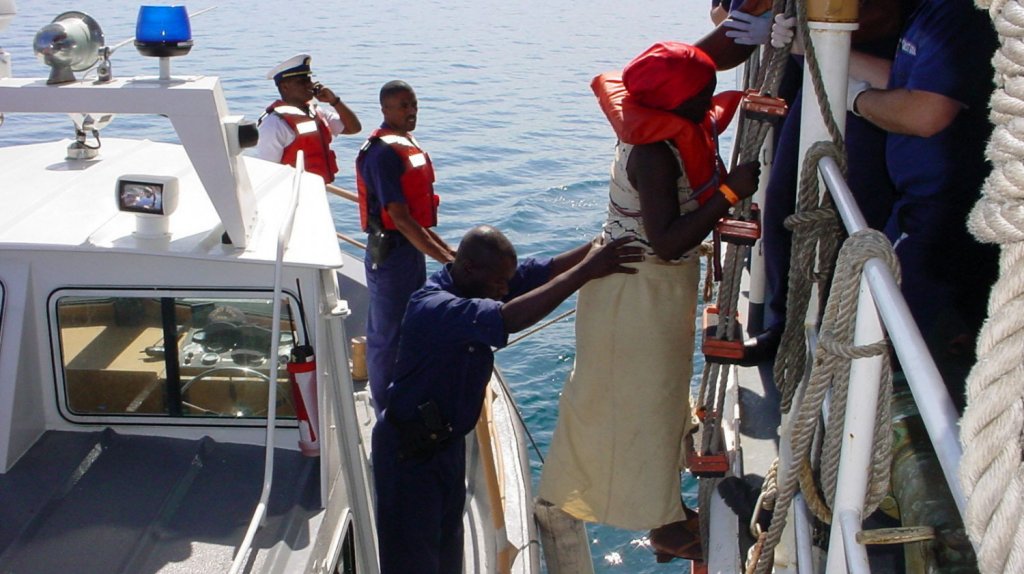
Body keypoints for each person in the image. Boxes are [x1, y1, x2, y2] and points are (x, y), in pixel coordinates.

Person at [536, 42, 761, 563]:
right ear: (671, 105)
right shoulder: (653, 153)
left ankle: (667, 510)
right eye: (701, 94)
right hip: (633, 297)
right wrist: (729, 194)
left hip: (651, 292)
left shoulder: (671, 132)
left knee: (657, 403)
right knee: (634, 409)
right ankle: (663, 524)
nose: (709, 102)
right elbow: (666, 240)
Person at [371, 225, 644, 574]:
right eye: (499, 282)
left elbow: (540, 272)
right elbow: (508, 318)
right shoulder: (434, 306)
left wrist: (594, 248)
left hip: (446, 447)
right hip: (408, 459)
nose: (504, 289)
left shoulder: (476, 280)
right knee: (414, 562)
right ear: (469, 268)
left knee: (446, 554)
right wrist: (589, 270)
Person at [842, 0, 999, 410]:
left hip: (944, 211)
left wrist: (858, 101)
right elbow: (908, 78)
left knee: (890, 325)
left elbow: (925, 112)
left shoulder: (961, 16)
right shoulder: (931, 11)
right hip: (921, 206)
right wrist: (821, 49)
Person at [742, 0, 906, 363]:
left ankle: (849, 331)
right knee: (785, 199)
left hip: (874, 84)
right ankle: (786, 324)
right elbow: (734, 15)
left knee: (862, 211)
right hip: (818, 79)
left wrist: (810, 39)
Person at [356, 80, 456, 414]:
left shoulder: (404, 143)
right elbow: (399, 218)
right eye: (403, 106)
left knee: (411, 322)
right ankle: (385, 409)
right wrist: (445, 258)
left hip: (410, 249)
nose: (411, 111)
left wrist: (450, 254)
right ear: (385, 109)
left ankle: (407, 387)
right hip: (390, 256)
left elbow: (417, 220)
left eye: (413, 104)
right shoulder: (382, 153)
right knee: (386, 334)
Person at [256, 53, 361, 184]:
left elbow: (354, 128)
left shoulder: (316, 112)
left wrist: (334, 101)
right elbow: (268, 171)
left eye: (309, 79)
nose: (310, 85)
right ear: (285, 87)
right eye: (302, 82)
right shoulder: (274, 124)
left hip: (317, 191)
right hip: (293, 196)